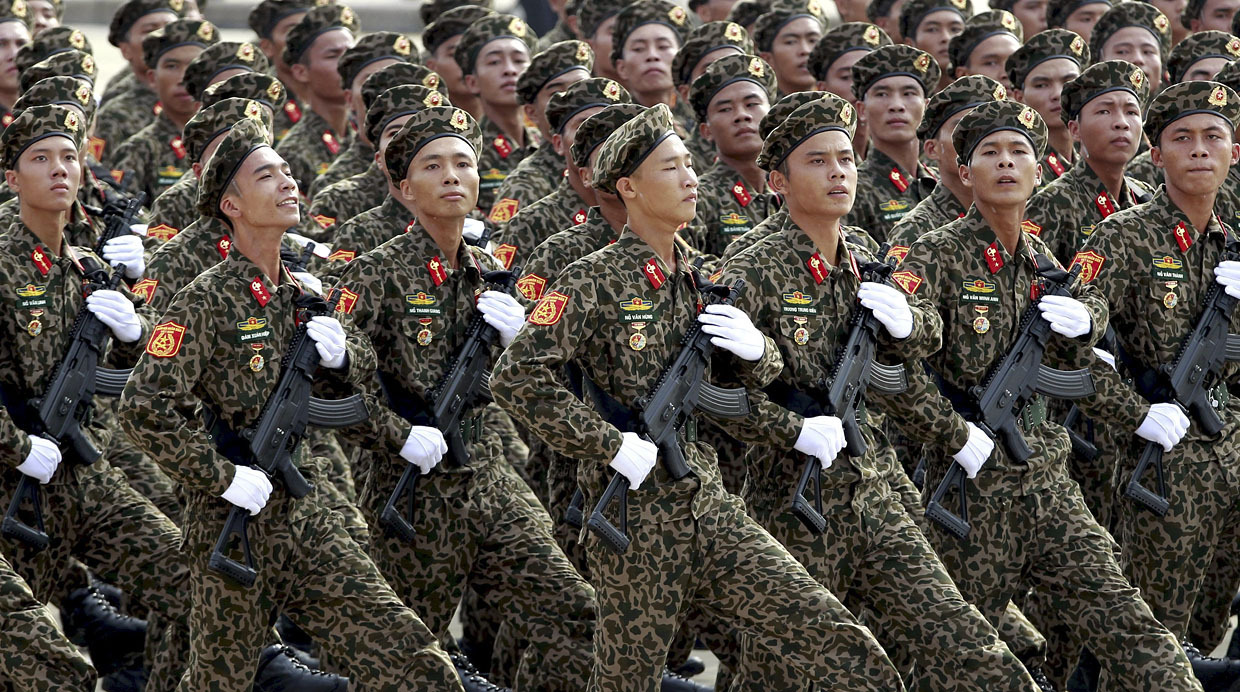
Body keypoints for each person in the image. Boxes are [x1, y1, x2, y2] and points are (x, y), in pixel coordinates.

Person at [491, 102, 906, 692]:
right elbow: (516, 377)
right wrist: (606, 444)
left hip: (708, 503)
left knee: (837, 643)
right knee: (626, 680)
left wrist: (760, 351)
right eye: (671, 169)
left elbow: (740, 388)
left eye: (690, 165)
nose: (690, 180)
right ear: (629, 187)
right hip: (636, 518)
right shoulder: (589, 279)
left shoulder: (706, 277)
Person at [120, 116, 465, 691]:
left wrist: (345, 358)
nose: (287, 183)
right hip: (232, 519)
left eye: (286, 171)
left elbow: (343, 397)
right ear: (230, 204)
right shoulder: (206, 298)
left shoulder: (306, 291)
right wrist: (219, 475)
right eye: (265, 175)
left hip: (305, 516)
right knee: (217, 680)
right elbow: (143, 407)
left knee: (412, 657)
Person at [715, 88, 1041, 692]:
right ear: (779, 182)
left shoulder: (865, 254)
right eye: (816, 161)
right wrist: (792, 426)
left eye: (844, 158)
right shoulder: (750, 268)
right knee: (782, 674)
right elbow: (715, 398)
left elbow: (911, 353)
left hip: (875, 486)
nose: (838, 171)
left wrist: (911, 324)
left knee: (966, 644)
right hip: (794, 499)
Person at [894, 97, 1203, 691]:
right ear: (964, 171)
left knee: (1127, 621)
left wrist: (1136, 409)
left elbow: (1075, 370)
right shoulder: (933, 256)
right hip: (971, 490)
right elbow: (891, 375)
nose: (1006, 163)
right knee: (959, 655)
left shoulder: (1044, 265)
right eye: (989, 152)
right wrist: (952, 433)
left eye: (1020, 153)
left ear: (1041, 171)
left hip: (1049, 479)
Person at [330, 104, 598, 691]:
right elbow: (332, 393)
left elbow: (528, 389)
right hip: (413, 491)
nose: (452, 176)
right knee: (408, 653)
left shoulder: (492, 272)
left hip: (490, 477)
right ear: (403, 189)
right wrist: (398, 434)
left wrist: (516, 344)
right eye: (432, 166)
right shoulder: (376, 274)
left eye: (464, 163)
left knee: (575, 612)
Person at [0, 103, 194, 692]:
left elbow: (149, 379)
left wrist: (136, 332)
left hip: (85, 476)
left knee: (205, 587)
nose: (60, 169)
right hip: (12, 478)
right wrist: (13, 445)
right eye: (40, 159)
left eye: (69, 158)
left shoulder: (86, 268)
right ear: (11, 179)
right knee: (45, 666)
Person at [1078, 78, 1240, 668]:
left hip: (1230, 447)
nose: (1199, 149)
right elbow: (1068, 349)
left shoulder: (1232, 244)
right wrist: (1135, 414)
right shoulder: (1122, 237)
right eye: (1182, 138)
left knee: (1210, 625)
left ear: (1233, 152)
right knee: (1154, 632)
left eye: (1213, 137)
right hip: (1164, 457)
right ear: (1157, 154)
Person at [111, 18, 220, 204]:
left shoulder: (230, 140)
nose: (184, 78)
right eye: (172, 66)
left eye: (195, 66)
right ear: (152, 78)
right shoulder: (138, 150)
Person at [487, 39, 593, 226]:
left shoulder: (623, 164)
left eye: (582, 88)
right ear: (532, 112)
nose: (572, 102)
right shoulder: (526, 185)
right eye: (556, 95)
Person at [844, 43, 940, 243]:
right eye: (882, 94)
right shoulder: (853, 190)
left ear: (927, 108)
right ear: (861, 110)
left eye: (909, 93)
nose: (896, 106)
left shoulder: (943, 184)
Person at [685, 53, 777, 257]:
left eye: (752, 104)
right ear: (705, 131)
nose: (742, 115)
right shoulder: (697, 199)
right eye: (726, 109)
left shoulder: (791, 194)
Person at [309, 31, 415, 197]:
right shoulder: (336, 189)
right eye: (371, 82)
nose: (385, 93)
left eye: (398, 82)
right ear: (349, 99)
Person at [275, 3, 360, 193]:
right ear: (301, 72)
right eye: (333, 56)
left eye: (352, 54)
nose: (348, 63)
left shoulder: (365, 136)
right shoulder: (293, 154)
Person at [1005, 29, 1089, 188]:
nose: (1058, 94)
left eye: (1068, 82)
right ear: (1019, 97)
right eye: (1042, 85)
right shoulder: (1017, 169)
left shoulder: (1092, 159)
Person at [751, 1, 826, 96]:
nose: (805, 50)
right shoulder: (760, 108)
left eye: (813, 40)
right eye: (790, 42)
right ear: (767, 59)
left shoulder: (839, 105)